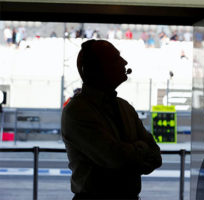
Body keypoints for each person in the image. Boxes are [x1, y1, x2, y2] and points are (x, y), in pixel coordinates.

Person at [61, 39, 162, 200]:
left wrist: (129, 153)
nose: (124, 62)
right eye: (115, 58)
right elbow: (115, 158)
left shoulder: (124, 107)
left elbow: (155, 156)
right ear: (97, 69)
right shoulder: (76, 111)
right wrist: (140, 149)